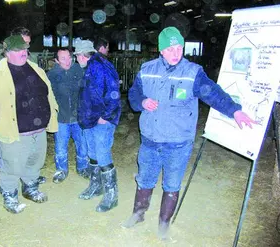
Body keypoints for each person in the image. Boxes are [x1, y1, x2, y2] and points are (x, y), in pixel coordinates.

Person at [125, 26, 256, 239]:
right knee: (145, 180)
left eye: (179, 48)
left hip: (178, 142)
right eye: (171, 49)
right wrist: (141, 101)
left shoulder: (193, 73)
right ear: (161, 50)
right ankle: (138, 214)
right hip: (150, 139)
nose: (176, 53)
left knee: (172, 184)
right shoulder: (146, 69)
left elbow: (214, 94)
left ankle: (163, 225)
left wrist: (235, 111)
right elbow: (133, 94)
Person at [0, 35, 58, 214]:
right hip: (13, 130)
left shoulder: (36, 69)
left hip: (39, 129)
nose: (23, 53)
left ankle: (30, 187)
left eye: (25, 49)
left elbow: (48, 93)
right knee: (12, 165)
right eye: (18, 50)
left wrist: (53, 112)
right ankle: (10, 195)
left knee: (35, 161)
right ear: (7, 52)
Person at [75, 40, 121, 212]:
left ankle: (112, 195)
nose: (77, 59)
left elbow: (113, 92)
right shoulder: (90, 67)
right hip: (90, 118)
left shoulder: (100, 66)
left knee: (102, 154)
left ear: (82, 55)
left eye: (77, 55)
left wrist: (106, 116)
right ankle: (96, 186)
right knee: (92, 153)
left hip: (100, 119)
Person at [47, 48, 89, 183]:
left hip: (78, 117)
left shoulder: (79, 70)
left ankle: (82, 167)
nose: (67, 61)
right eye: (63, 58)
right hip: (61, 118)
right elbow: (47, 96)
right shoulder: (51, 75)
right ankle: (61, 170)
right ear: (56, 61)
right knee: (60, 146)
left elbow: (86, 90)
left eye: (69, 57)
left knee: (82, 145)